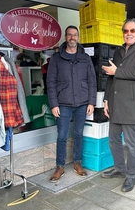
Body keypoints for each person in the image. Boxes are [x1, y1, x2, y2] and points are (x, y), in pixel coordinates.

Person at [100, 18, 135, 192]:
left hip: (131, 105)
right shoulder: (119, 51)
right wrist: (106, 100)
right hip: (115, 103)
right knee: (113, 140)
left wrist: (117, 71)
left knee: (131, 144)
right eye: (125, 31)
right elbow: (110, 77)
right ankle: (119, 168)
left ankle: (130, 176)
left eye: (132, 31)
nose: (128, 34)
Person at [46, 25, 97, 183]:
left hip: (82, 103)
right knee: (61, 136)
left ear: (78, 38)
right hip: (63, 104)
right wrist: (54, 104)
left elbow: (92, 81)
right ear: (66, 37)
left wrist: (92, 102)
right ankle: (60, 166)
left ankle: (77, 163)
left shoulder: (85, 58)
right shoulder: (56, 58)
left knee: (78, 134)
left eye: (75, 35)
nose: (72, 38)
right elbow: (51, 82)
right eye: (69, 35)